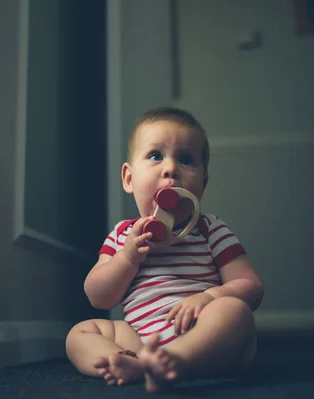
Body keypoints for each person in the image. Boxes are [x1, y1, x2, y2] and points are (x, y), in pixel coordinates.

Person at [65, 107, 264, 392]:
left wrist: (210, 296)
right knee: (81, 333)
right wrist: (128, 257)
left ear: (202, 185)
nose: (171, 169)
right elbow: (99, 296)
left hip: (204, 338)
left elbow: (251, 286)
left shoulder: (210, 229)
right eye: (155, 156)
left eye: (186, 159)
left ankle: (176, 361)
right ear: (129, 179)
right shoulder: (123, 235)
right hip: (141, 340)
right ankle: (130, 362)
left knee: (235, 311)